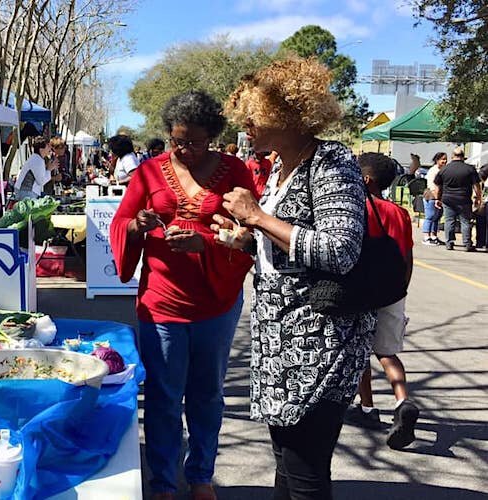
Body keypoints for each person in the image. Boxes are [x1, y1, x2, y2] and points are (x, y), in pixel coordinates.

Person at [218, 57, 375, 500]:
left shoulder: (330, 161)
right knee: (287, 462)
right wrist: (243, 240)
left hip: (322, 342)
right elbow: (286, 250)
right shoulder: (280, 169)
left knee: (305, 472)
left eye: (253, 114)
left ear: (285, 112)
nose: (245, 124)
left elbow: (340, 250)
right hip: (278, 341)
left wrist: (257, 217)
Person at [110, 91, 256, 500]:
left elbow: (248, 236)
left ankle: (201, 475)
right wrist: (138, 224)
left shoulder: (235, 171)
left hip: (217, 302)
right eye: (177, 140)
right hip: (161, 301)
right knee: (162, 396)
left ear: (212, 134)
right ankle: (162, 481)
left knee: (208, 394)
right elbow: (123, 220)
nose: (183, 149)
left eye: (193, 140)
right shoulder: (148, 172)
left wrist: (205, 243)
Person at [347, 153, 419, 450]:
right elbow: (407, 257)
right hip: (392, 291)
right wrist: (402, 287)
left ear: (366, 180)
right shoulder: (399, 213)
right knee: (387, 352)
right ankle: (403, 401)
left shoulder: (354, 209)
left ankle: (367, 408)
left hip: (360, 291)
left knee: (361, 352)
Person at [434, 146, 483, 251]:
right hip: (464, 199)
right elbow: (476, 185)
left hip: (447, 199)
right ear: (463, 157)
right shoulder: (470, 169)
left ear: (452, 156)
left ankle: (449, 242)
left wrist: (437, 199)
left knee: (449, 221)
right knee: (465, 221)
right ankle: (467, 243)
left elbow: (438, 186)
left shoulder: (444, 169)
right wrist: (479, 198)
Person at [422, 152, 447, 245]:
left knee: (436, 217)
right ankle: (426, 237)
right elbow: (433, 186)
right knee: (430, 216)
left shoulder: (443, 170)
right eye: (443, 159)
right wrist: (436, 198)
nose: (445, 161)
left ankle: (434, 235)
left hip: (440, 196)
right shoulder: (433, 170)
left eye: (446, 159)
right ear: (437, 160)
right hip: (431, 196)